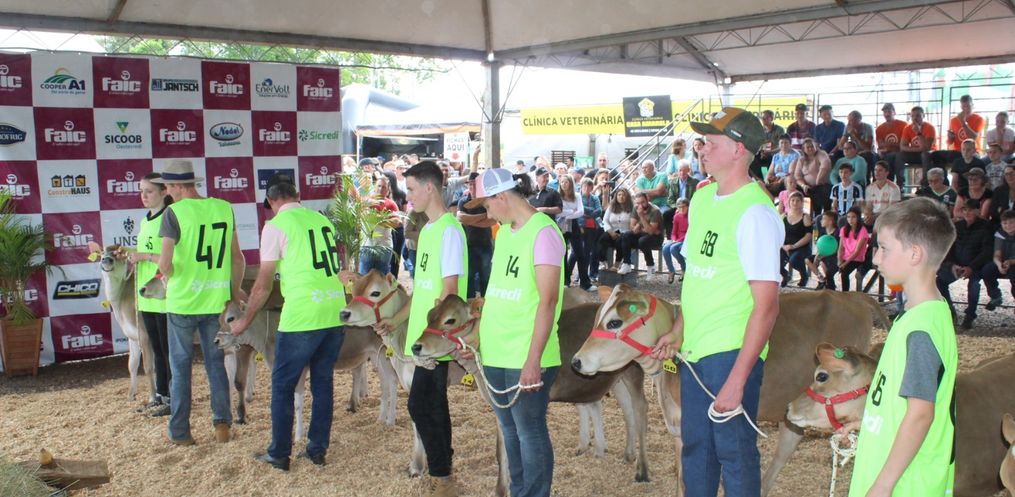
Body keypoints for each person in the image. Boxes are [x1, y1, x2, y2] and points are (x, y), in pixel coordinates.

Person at [650, 107, 783, 497]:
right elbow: (697, 276)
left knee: (735, 455)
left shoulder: (755, 212)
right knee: (697, 452)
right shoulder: (703, 198)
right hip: (695, 350)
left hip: (730, 352)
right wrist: (679, 330)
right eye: (701, 141)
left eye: (711, 142)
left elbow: (767, 306)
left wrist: (738, 380)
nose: (701, 148)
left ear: (739, 150)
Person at [229, 173, 345, 471]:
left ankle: (279, 454)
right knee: (322, 382)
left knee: (282, 385)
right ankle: (317, 450)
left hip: (303, 315)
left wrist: (244, 321)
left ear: (270, 202)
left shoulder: (275, 226)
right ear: (298, 197)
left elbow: (263, 284)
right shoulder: (321, 220)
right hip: (334, 308)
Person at [848, 197, 957, 497]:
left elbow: (921, 414)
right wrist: (872, 422)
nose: (876, 259)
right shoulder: (922, 314)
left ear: (915, 254)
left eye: (884, 248)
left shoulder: (921, 329)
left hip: (906, 486)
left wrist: (883, 486)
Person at [464, 167, 564, 497]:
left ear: (502, 196)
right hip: (496, 350)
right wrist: (478, 339)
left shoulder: (544, 232)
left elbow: (548, 301)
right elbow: (496, 293)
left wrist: (534, 359)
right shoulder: (505, 233)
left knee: (529, 431)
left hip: (525, 352)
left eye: (487, 205)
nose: (487, 213)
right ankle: (519, 490)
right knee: (509, 430)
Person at [376, 161, 468, 496]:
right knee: (433, 403)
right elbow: (422, 289)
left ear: (430, 188)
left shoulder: (449, 231)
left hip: (434, 340)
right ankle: (444, 467)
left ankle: (441, 473)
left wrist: (433, 337)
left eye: (412, 189)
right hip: (422, 337)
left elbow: (449, 292)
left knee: (419, 405)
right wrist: (397, 320)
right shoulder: (428, 230)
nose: (408, 197)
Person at [153, 159, 245, 446]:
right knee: (215, 364)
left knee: (180, 368)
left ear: (178, 186)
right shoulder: (223, 207)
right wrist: (234, 291)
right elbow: (238, 258)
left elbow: (165, 264)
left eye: (168, 187)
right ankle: (222, 425)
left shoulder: (173, 213)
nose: (167, 192)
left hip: (182, 302)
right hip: (216, 301)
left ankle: (180, 432)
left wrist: (165, 276)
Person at [126, 172, 173, 417]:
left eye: (149, 191)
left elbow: (169, 258)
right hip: (147, 294)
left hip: (163, 295)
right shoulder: (146, 220)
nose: (143, 196)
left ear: (164, 192)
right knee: (155, 348)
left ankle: (173, 398)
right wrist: (134, 256)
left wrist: (143, 256)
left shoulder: (169, 218)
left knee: (167, 350)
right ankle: (161, 395)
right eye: (141, 191)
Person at [937, 198, 994, 329]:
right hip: (957, 264)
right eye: (965, 210)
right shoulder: (958, 226)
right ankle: (949, 311)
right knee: (939, 281)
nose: (967, 213)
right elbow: (950, 248)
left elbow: (986, 251)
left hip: (976, 265)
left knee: (973, 284)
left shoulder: (986, 227)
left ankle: (970, 315)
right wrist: (952, 265)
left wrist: (972, 267)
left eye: (971, 210)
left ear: (978, 211)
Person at [457, 172, 495, 298]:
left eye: (475, 184)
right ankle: (470, 302)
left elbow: (491, 221)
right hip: (469, 245)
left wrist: (470, 220)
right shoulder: (463, 201)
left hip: (485, 245)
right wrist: (484, 216)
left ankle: (486, 301)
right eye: (470, 184)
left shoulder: (485, 201)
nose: (472, 187)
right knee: (469, 277)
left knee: (486, 276)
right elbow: (461, 217)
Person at [360, 176, 400, 275]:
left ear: (388, 190)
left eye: (384, 187)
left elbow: (397, 223)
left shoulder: (391, 204)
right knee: (364, 278)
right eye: (379, 186)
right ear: (374, 186)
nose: (380, 189)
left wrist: (375, 219)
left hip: (384, 247)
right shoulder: (366, 202)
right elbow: (365, 216)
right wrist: (385, 219)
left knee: (382, 278)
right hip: (367, 246)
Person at [557, 175, 591, 290]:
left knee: (580, 253)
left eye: (566, 182)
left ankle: (585, 283)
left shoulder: (577, 195)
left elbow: (581, 211)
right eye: (562, 182)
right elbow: (558, 212)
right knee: (563, 254)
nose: (564, 184)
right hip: (561, 225)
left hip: (574, 224)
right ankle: (565, 281)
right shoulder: (558, 196)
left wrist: (567, 215)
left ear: (571, 183)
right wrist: (572, 211)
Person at [934, 94, 986, 167]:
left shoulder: (979, 119)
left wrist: (962, 122)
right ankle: (942, 174)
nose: (965, 109)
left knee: (961, 157)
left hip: (973, 151)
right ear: (961, 107)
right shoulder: (954, 120)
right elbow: (949, 142)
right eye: (963, 106)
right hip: (957, 151)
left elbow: (973, 138)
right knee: (935, 155)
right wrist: (950, 137)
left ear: (973, 106)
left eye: (968, 106)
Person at [982, 209, 1015, 315]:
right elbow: (997, 254)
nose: (1008, 226)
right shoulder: (1000, 234)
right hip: (1004, 262)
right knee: (987, 270)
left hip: (1013, 262)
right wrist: (999, 264)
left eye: (1011, 222)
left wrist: (1010, 262)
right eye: (1005, 223)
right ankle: (995, 295)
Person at [622, 192, 663, 276]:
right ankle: (626, 263)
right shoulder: (635, 208)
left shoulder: (655, 211)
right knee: (626, 235)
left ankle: (651, 265)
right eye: (638, 203)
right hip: (644, 234)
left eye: (642, 202)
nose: (640, 205)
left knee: (643, 241)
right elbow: (632, 228)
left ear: (647, 200)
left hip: (656, 237)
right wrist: (641, 226)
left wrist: (641, 217)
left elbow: (651, 232)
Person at [895, 106, 936, 188]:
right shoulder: (907, 128)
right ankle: (900, 184)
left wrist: (918, 132)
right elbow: (902, 146)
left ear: (923, 116)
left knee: (925, 154)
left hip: (929, 155)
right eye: (912, 116)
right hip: (915, 154)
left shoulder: (930, 128)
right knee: (900, 155)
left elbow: (926, 148)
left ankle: (925, 185)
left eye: (918, 116)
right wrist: (918, 149)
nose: (915, 118)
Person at [781, 191, 813, 287]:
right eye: (793, 200)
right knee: (773, 259)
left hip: (801, 247)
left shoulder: (805, 217)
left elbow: (808, 236)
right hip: (785, 246)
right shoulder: (783, 216)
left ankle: (804, 276)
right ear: (789, 202)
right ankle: (785, 275)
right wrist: (783, 246)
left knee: (794, 260)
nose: (795, 203)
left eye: (798, 201)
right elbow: (778, 233)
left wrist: (794, 246)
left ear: (802, 202)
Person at [575, 178, 602, 287]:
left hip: (591, 227)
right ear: (581, 187)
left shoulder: (595, 198)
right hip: (580, 226)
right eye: (584, 186)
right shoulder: (578, 197)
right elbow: (579, 209)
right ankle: (577, 275)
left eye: (589, 186)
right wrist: (590, 211)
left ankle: (584, 275)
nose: (586, 188)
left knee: (587, 252)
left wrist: (585, 213)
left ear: (592, 188)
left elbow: (599, 211)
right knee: (576, 252)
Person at [598, 187, 634, 271]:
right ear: (616, 196)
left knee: (620, 242)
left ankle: (617, 264)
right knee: (602, 239)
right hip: (612, 231)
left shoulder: (632, 208)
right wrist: (610, 231)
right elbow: (605, 220)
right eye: (619, 195)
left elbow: (633, 222)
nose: (621, 197)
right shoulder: (611, 207)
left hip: (625, 233)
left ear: (627, 197)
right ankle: (602, 261)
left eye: (623, 195)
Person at [794, 137, 832, 215]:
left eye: (812, 146)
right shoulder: (801, 160)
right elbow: (797, 176)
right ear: (804, 149)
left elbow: (825, 164)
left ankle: (824, 214)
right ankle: (802, 215)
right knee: (796, 189)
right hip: (807, 187)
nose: (810, 148)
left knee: (822, 190)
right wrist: (803, 185)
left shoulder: (821, 154)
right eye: (808, 147)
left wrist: (818, 179)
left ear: (815, 146)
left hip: (822, 184)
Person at [837, 206, 870, 292]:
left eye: (853, 217)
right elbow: (841, 247)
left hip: (857, 258)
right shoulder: (844, 229)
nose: (850, 220)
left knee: (844, 273)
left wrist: (845, 264)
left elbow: (857, 251)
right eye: (848, 217)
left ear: (858, 218)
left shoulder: (862, 230)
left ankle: (845, 294)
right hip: (845, 256)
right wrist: (839, 260)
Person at [809, 210, 841, 290]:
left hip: (834, 255)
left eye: (823, 219)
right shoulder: (823, 231)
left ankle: (830, 284)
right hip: (823, 254)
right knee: (807, 260)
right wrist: (817, 256)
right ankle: (822, 279)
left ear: (830, 222)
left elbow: (837, 248)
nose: (821, 221)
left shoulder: (837, 232)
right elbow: (821, 246)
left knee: (823, 262)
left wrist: (820, 257)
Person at [750, 109, 787, 179]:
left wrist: (770, 152)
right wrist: (762, 152)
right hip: (763, 154)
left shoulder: (779, 130)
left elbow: (782, 147)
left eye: (765, 118)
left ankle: (771, 180)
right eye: (762, 118)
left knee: (773, 160)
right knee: (751, 160)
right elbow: (757, 144)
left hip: (775, 154)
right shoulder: (760, 130)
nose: (763, 120)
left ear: (772, 118)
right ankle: (758, 180)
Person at [661, 198, 689, 283]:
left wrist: (678, 241)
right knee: (665, 248)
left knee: (673, 248)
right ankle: (671, 270)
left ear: (688, 207)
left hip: (686, 239)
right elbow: (674, 232)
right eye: (679, 207)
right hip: (677, 239)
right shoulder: (677, 216)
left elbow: (690, 232)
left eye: (684, 207)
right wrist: (673, 239)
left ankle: (684, 268)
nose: (682, 209)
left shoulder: (690, 216)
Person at [875, 103, 907, 178]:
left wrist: (890, 145)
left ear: (894, 112)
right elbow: (880, 146)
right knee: (883, 157)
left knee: (896, 156)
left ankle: (898, 181)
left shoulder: (903, 125)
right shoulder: (879, 129)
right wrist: (881, 151)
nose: (887, 114)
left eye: (889, 111)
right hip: (887, 153)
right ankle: (884, 180)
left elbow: (905, 144)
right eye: (885, 112)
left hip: (900, 152)